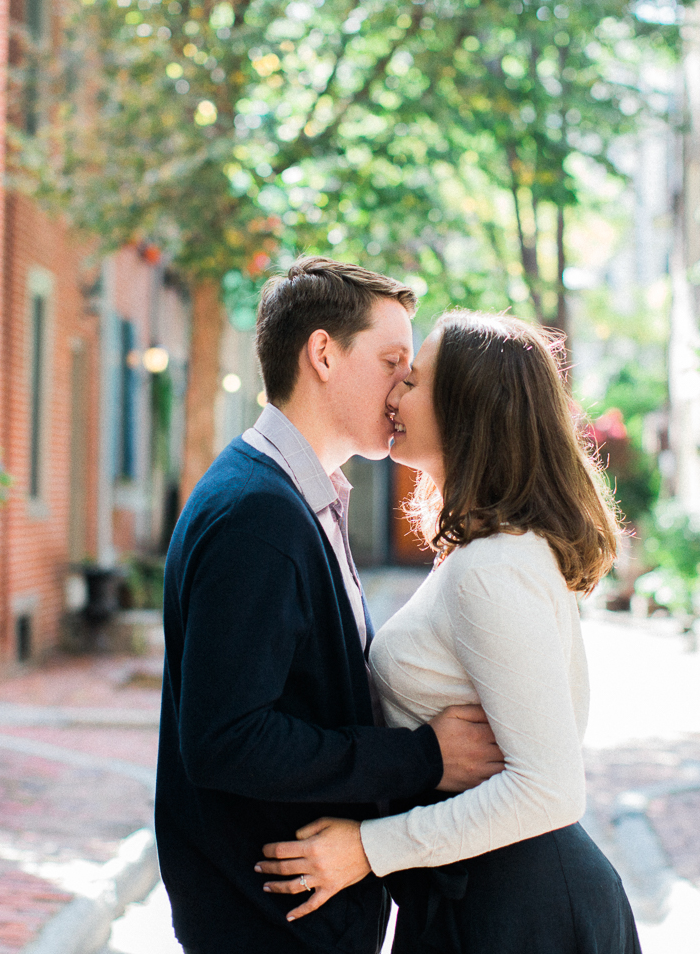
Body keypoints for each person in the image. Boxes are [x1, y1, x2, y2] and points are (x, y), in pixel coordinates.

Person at [254, 310, 643, 953]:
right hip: (471, 894)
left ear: (469, 407)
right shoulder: (482, 553)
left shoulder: (492, 568)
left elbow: (549, 787)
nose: (396, 391)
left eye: (416, 380)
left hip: (523, 907)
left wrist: (365, 850)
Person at [155, 259, 507, 954]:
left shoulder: (296, 497)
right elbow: (227, 739)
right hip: (267, 920)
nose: (404, 386)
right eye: (391, 361)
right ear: (323, 354)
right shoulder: (258, 514)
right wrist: (422, 758)